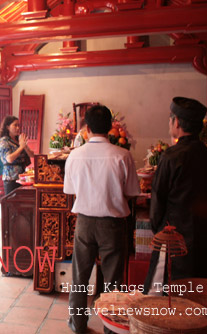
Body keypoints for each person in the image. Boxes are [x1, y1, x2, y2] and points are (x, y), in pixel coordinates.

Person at [63, 105, 140, 334]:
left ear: (86, 129)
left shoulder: (75, 155)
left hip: (85, 223)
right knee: (113, 282)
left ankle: (77, 324)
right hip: (113, 225)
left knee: (80, 277)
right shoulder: (122, 155)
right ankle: (111, 328)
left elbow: (70, 190)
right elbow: (132, 191)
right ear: (111, 128)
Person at [144, 97, 207, 294]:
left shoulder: (171, 156)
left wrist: (157, 228)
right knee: (200, 292)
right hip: (205, 236)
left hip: (174, 238)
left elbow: (158, 198)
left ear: (176, 122)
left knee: (166, 294)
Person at [0, 116, 34, 195]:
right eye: (15, 125)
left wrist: (24, 146)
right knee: (13, 204)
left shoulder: (18, 140)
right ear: (7, 127)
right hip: (11, 178)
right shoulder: (4, 141)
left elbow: (32, 155)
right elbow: (9, 159)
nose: (18, 128)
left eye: (19, 125)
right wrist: (21, 147)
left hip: (22, 177)